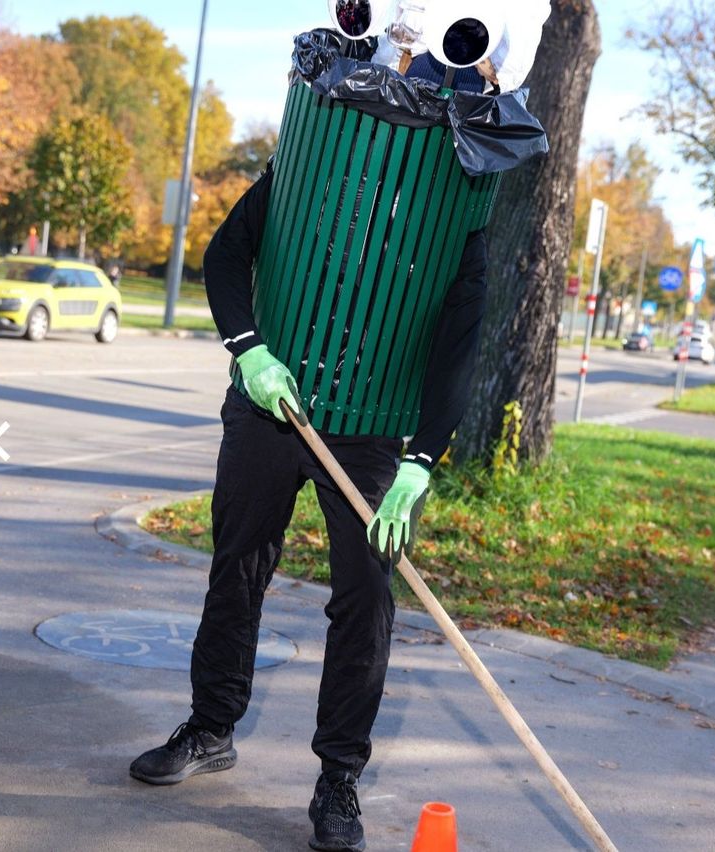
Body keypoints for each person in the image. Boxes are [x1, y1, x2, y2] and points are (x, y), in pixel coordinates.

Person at [129, 7, 547, 851]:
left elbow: (457, 345)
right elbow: (225, 255)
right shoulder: (318, 173)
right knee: (237, 567)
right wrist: (248, 349)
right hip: (271, 401)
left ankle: (339, 783)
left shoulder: (455, 214)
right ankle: (210, 729)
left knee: (364, 603)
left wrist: (421, 463)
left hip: (370, 426)